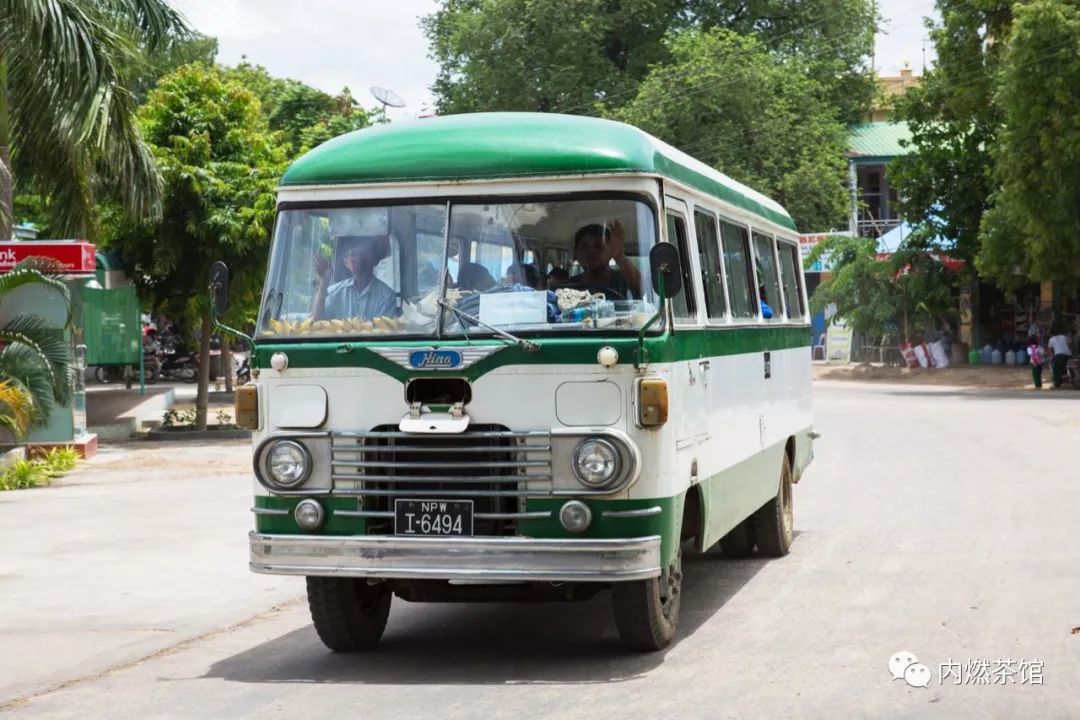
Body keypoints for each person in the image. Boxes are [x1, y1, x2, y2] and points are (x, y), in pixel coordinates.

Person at [312, 235, 397, 321]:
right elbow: (317, 321)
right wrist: (323, 283)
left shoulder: (386, 297)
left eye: (364, 254)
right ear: (346, 263)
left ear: (375, 260)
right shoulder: (334, 293)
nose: (359, 259)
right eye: (354, 254)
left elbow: (386, 331)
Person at [565, 220, 643, 298]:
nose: (591, 251)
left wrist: (619, 256)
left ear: (611, 251)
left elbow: (642, 287)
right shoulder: (568, 286)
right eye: (585, 246)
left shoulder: (621, 278)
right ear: (577, 254)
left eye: (598, 246)